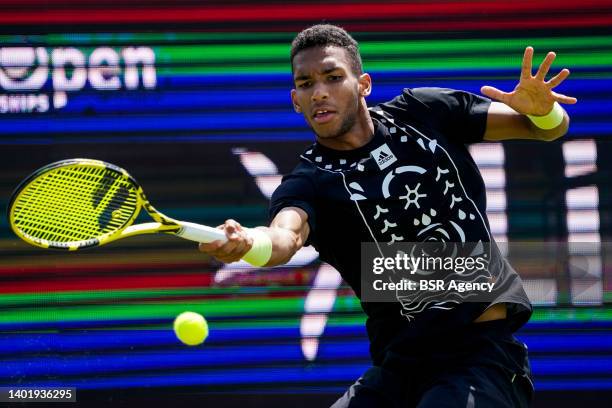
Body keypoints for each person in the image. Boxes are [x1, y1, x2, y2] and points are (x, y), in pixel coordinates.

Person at [199, 24, 577, 407]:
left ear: (363, 84)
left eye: (333, 78)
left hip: (481, 357)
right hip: (398, 369)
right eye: (306, 84)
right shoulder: (308, 182)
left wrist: (544, 112)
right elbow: (285, 237)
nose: (320, 93)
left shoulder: (424, 112)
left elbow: (547, 130)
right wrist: (249, 242)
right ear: (296, 100)